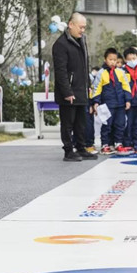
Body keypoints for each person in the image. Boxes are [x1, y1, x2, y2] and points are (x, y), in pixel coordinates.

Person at [52, 12, 97, 162]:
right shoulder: (61, 44)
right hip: (69, 92)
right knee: (68, 123)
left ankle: (81, 148)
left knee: (81, 123)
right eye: (80, 27)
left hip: (81, 90)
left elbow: (85, 66)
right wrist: (67, 92)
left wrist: (88, 85)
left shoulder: (82, 40)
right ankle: (68, 151)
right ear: (70, 25)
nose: (83, 30)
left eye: (84, 27)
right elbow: (61, 71)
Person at [91, 47, 132, 154]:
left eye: (115, 60)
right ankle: (105, 144)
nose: (113, 62)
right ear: (105, 59)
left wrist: (127, 100)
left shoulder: (120, 72)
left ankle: (118, 143)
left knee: (120, 124)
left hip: (120, 104)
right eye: (110, 59)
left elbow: (126, 87)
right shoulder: (101, 73)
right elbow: (97, 88)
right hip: (107, 104)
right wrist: (96, 102)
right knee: (106, 125)